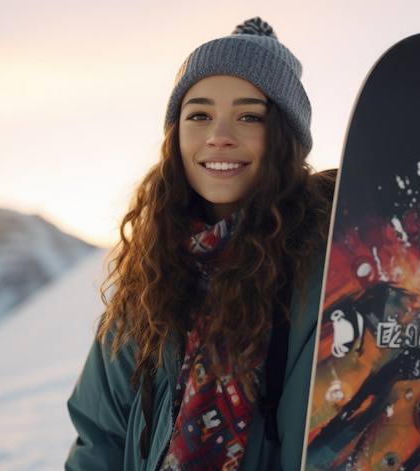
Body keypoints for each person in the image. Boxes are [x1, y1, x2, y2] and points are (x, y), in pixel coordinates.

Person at [65, 17, 335, 471]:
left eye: (250, 116)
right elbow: (101, 440)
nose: (219, 136)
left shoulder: (332, 256)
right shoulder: (148, 282)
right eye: (199, 115)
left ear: (288, 138)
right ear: (176, 136)